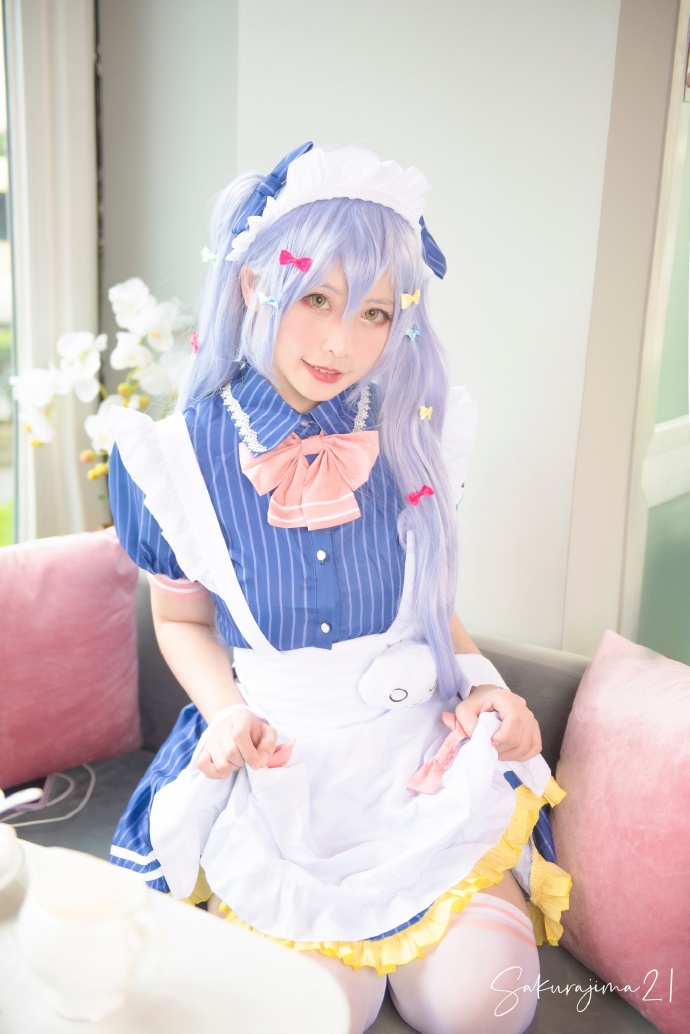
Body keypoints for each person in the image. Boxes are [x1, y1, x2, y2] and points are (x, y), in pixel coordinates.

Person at [108, 142, 571, 1034]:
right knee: (308, 1014)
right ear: (254, 283)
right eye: (315, 299)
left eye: (374, 313)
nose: (340, 343)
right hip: (282, 767)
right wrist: (224, 714)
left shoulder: (413, 430)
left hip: (418, 758)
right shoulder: (173, 459)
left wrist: (486, 687)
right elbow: (180, 620)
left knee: (483, 1007)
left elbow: (427, 605)